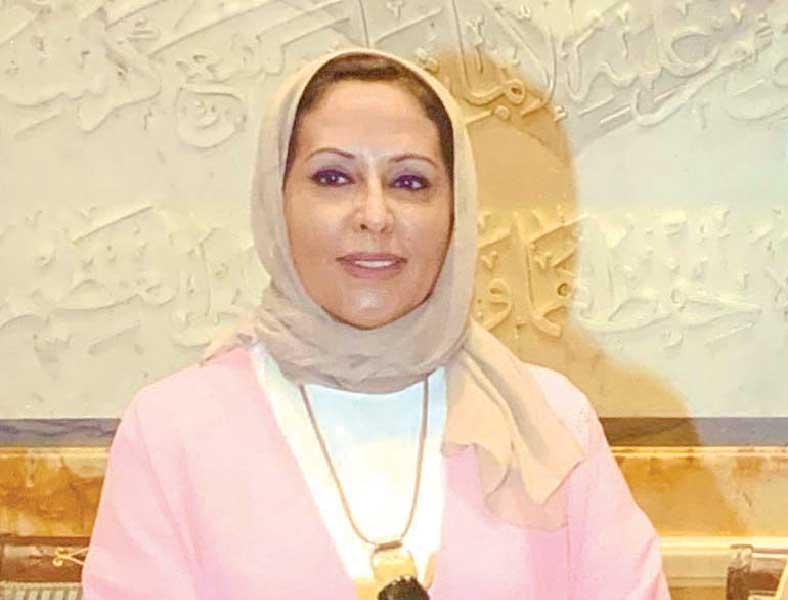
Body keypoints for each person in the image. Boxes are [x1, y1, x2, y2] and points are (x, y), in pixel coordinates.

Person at [82, 47, 670, 599]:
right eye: (333, 178)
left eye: (410, 182)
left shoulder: (550, 425)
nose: (375, 215)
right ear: (276, 200)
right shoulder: (174, 432)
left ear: (456, 210)